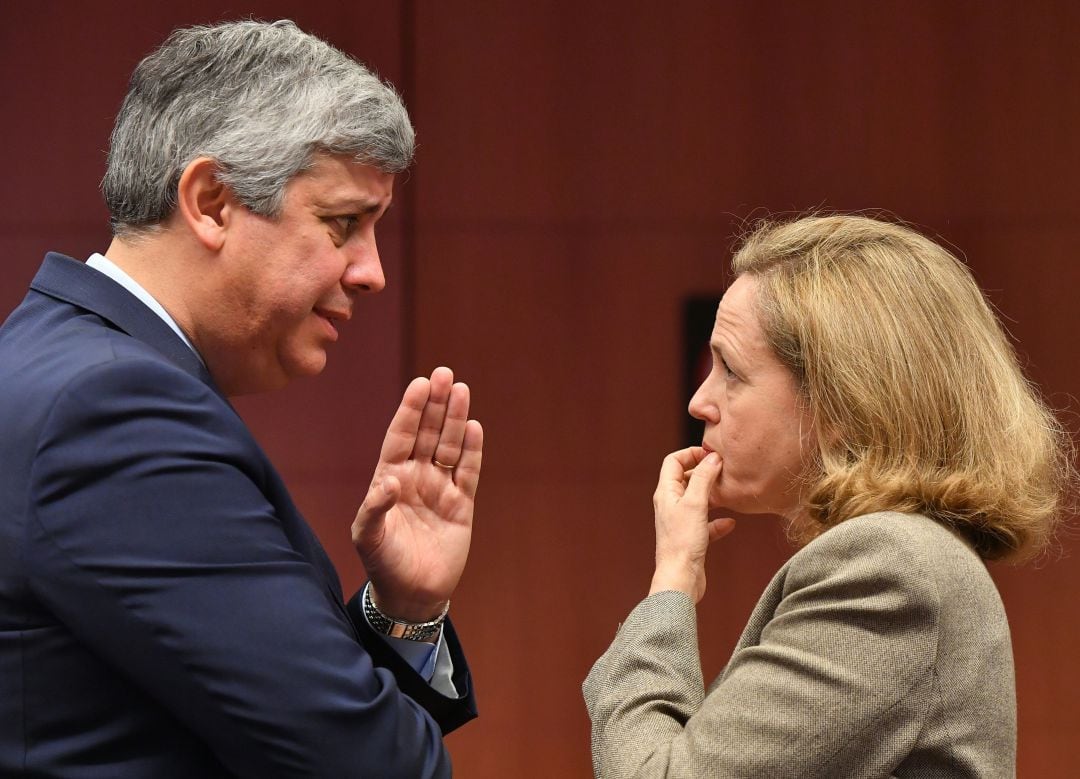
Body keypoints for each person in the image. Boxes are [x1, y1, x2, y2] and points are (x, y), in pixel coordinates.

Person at [0, 20, 482, 778]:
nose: (372, 272)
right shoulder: (116, 415)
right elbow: (364, 763)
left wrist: (403, 609)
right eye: (343, 224)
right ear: (213, 201)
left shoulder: (62, 363)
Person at [583, 214, 1074, 777]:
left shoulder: (890, 568)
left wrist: (670, 581)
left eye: (731, 371)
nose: (700, 401)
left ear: (841, 405)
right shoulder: (907, 556)